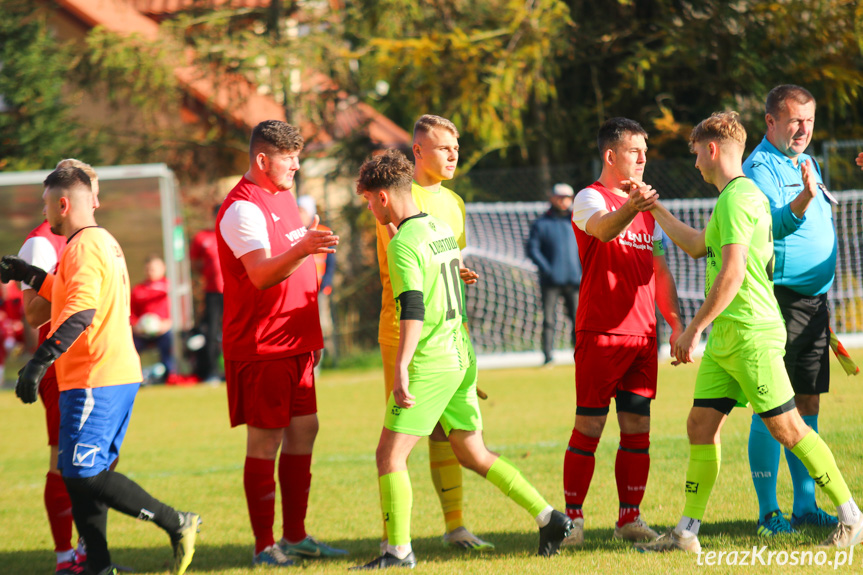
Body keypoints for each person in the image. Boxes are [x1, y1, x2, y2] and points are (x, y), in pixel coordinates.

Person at [635, 111, 863, 553]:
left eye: (697, 153)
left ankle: (852, 516)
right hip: (728, 339)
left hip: (751, 334)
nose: (696, 162)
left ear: (714, 149)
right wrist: (654, 207)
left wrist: (693, 329)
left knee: (789, 429)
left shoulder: (739, 198)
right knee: (700, 425)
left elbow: (734, 272)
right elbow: (700, 245)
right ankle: (685, 533)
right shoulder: (734, 198)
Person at [352, 149, 573, 569]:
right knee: (472, 452)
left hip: (432, 360)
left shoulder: (402, 242)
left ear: (383, 197)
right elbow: (450, 280)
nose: (368, 209)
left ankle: (397, 553)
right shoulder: (438, 228)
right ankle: (550, 517)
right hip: (459, 354)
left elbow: (413, 308)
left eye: (367, 200)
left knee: (390, 456)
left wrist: (402, 367)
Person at [1, 166, 201, 575]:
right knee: (79, 473)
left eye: (46, 203)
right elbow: (65, 294)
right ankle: (99, 564)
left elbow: (80, 314)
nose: (45, 211)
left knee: (84, 474)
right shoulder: (99, 240)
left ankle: (175, 521)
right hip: (108, 374)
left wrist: (37, 364)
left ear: (62, 204)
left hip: (97, 375)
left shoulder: (82, 245)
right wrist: (29, 275)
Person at [216, 120, 345, 567]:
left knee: (305, 430)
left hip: (296, 342)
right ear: (262, 160)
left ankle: (295, 536)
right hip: (262, 344)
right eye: (288, 158)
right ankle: (263, 546)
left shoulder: (284, 196)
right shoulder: (242, 209)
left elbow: (298, 266)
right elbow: (262, 274)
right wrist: (304, 247)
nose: (296, 165)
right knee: (265, 441)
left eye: (298, 156)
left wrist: (315, 254)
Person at [563, 117, 683, 546]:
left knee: (637, 427)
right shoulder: (588, 198)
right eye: (636, 152)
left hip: (643, 337)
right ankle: (572, 521)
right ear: (611, 155)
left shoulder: (648, 214)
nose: (643, 159)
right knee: (589, 427)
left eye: (646, 153)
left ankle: (628, 519)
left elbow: (660, 271)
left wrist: (675, 323)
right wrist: (632, 207)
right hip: (601, 333)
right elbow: (602, 229)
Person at [374, 114, 488, 550]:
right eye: (444, 148)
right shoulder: (398, 197)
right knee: (398, 436)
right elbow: (404, 265)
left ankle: (455, 527)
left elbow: (445, 263)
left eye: (456, 148)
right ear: (418, 151)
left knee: (447, 432)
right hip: (401, 332)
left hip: (447, 335)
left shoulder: (455, 203)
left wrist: (460, 271)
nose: (453, 155)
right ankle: (392, 540)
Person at [741, 85, 838, 535]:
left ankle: (805, 506)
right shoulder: (759, 166)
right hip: (780, 299)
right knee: (773, 407)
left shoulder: (806, 160)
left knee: (807, 399)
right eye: (794, 120)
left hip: (813, 302)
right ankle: (768, 512)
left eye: (810, 121)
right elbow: (774, 222)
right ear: (771, 122)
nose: (803, 130)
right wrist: (802, 199)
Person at [17, 158, 95, 575]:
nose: (96, 204)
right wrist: (71, 283)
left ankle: (88, 550)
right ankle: (66, 556)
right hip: (60, 365)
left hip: (98, 363)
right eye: (92, 194)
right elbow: (32, 314)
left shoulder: (89, 237)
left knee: (99, 464)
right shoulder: (42, 243)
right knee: (63, 461)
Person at [526, 183, 581, 366]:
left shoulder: (577, 221)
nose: (564, 201)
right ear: (552, 198)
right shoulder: (541, 223)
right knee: (549, 319)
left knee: (578, 321)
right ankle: (548, 356)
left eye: (567, 198)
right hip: (550, 282)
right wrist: (547, 270)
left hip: (574, 281)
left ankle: (580, 355)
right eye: (560, 197)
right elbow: (533, 249)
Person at [297, 195, 336, 362]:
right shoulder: (295, 233)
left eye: (302, 211)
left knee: (322, 324)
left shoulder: (324, 231)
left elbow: (332, 261)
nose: (299, 215)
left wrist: (327, 283)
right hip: (301, 290)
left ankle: (326, 361)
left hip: (318, 289)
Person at [189, 204, 224, 384]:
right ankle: (212, 372)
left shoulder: (233, 234)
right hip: (212, 292)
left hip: (233, 291)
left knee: (235, 331)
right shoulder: (203, 238)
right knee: (211, 332)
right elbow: (195, 263)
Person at [130, 255, 175, 383]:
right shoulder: (138, 289)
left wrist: (168, 323)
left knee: (169, 342)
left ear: (163, 268)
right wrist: (136, 326)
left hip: (164, 330)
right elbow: (131, 312)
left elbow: (177, 309)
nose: (150, 272)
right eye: (148, 269)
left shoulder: (169, 287)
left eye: (154, 269)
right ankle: (134, 378)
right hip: (142, 332)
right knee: (130, 346)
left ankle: (169, 375)